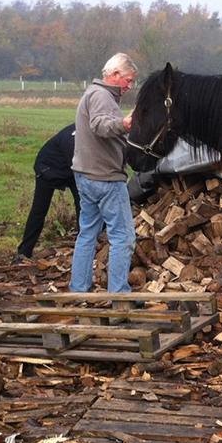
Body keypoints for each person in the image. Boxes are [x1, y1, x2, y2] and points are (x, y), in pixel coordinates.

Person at [69, 52, 137, 293]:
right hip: (105, 178)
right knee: (123, 237)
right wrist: (125, 124)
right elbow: (99, 125)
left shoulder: (92, 93)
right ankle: (119, 296)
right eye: (128, 80)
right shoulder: (102, 96)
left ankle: (78, 290)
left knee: (87, 233)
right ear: (115, 75)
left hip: (85, 175)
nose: (130, 85)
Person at [14, 123, 79, 261]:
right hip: (47, 168)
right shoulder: (73, 138)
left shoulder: (89, 129)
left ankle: (84, 246)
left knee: (83, 206)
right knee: (39, 210)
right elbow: (78, 166)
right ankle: (24, 252)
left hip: (70, 169)